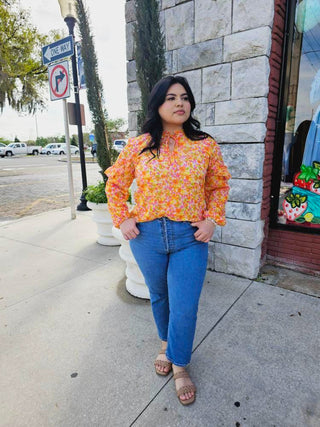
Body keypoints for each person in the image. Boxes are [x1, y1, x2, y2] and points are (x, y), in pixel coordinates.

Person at [105, 75, 231, 406]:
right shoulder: (139, 145)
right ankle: (166, 342)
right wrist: (123, 217)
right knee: (159, 297)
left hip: (189, 236)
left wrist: (212, 220)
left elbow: (218, 185)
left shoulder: (204, 144)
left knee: (185, 305)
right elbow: (116, 185)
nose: (180, 103)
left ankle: (179, 364)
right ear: (157, 105)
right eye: (171, 98)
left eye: (185, 97)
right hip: (147, 236)